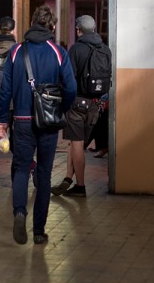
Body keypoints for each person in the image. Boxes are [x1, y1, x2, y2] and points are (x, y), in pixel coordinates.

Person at [0, 5, 76, 245]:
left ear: (32, 23)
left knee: (21, 169)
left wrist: (2, 121)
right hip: (48, 123)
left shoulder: (16, 51)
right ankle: (39, 231)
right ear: (52, 25)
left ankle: (20, 213)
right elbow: (71, 88)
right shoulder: (58, 52)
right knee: (44, 174)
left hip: (22, 121)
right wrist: (60, 110)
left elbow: (5, 90)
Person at [51, 15, 111, 197]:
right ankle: (68, 178)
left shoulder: (76, 49)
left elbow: (68, 79)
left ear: (78, 30)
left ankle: (81, 186)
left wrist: (64, 102)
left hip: (77, 103)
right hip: (96, 105)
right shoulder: (106, 49)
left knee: (76, 144)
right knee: (77, 143)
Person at [0, 17, 37, 185]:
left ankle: (24, 172)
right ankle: (30, 167)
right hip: (17, 101)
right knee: (17, 140)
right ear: (13, 31)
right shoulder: (19, 50)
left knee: (12, 142)